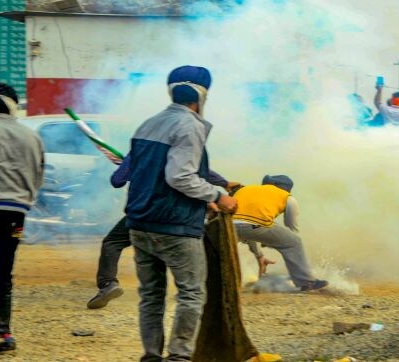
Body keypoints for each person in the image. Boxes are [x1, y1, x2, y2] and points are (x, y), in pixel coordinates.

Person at [125, 65, 238, 362]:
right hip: (174, 225)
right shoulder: (189, 125)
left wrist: (203, 200)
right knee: (190, 294)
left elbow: (145, 175)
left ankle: (151, 356)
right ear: (201, 96)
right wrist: (217, 196)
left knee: (151, 296)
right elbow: (179, 177)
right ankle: (179, 356)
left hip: (139, 222)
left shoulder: (147, 124)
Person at [86, 154, 238, 310]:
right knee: (180, 252)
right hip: (175, 215)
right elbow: (200, 174)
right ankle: (195, 292)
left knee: (113, 242)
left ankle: (108, 284)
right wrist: (223, 184)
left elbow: (117, 181)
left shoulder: (139, 153)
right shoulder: (181, 153)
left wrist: (128, 165)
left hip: (144, 213)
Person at [0, 83, 45, 353]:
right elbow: (38, 176)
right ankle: (2, 331)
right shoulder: (30, 136)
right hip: (15, 211)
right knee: (2, 270)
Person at [232, 175, 328, 291]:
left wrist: (260, 254)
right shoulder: (287, 197)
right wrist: (280, 241)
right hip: (256, 226)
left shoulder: (245, 189)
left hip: (230, 226)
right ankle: (307, 282)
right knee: (294, 242)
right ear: (286, 188)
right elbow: (291, 226)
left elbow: (244, 228)